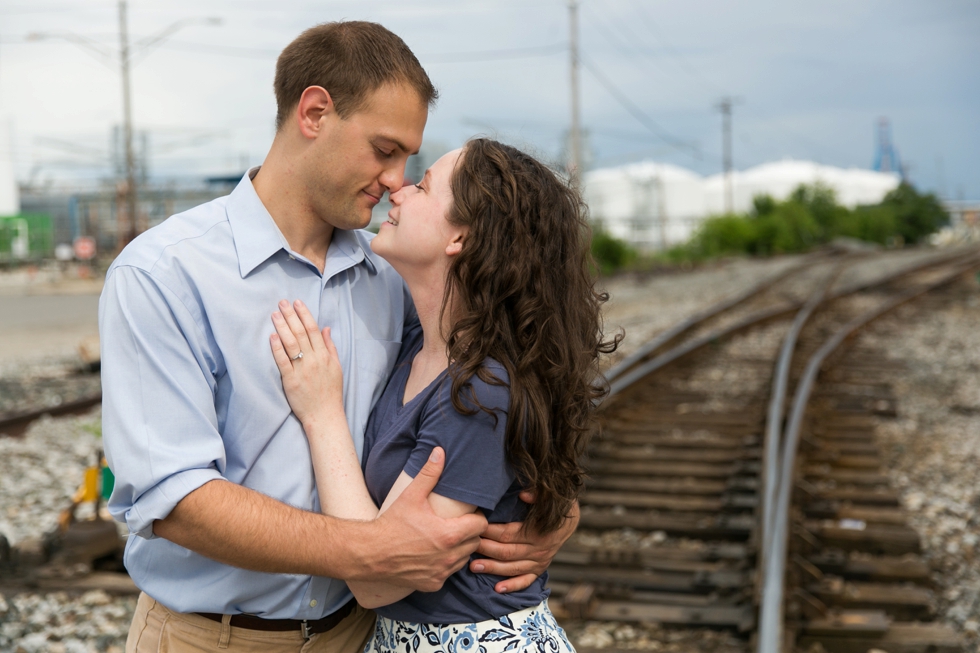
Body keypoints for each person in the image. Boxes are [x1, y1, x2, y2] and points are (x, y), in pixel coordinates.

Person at [99, 22, 577, 653]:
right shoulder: (163, 273)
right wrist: (374, 553)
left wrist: (554, 512)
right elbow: (175, 499)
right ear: (315, 112)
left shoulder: (395, 276)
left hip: (363, 635)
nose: (396, 180)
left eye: (410, 159)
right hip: (211, 637)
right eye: (384, 149)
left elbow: (494, 393)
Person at [267, 139, 617, 653]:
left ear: (460, 236)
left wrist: (322, 414)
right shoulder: (417, 347)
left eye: (424, 185)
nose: (399, 190)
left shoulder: (480, 392)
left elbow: (377, 579)